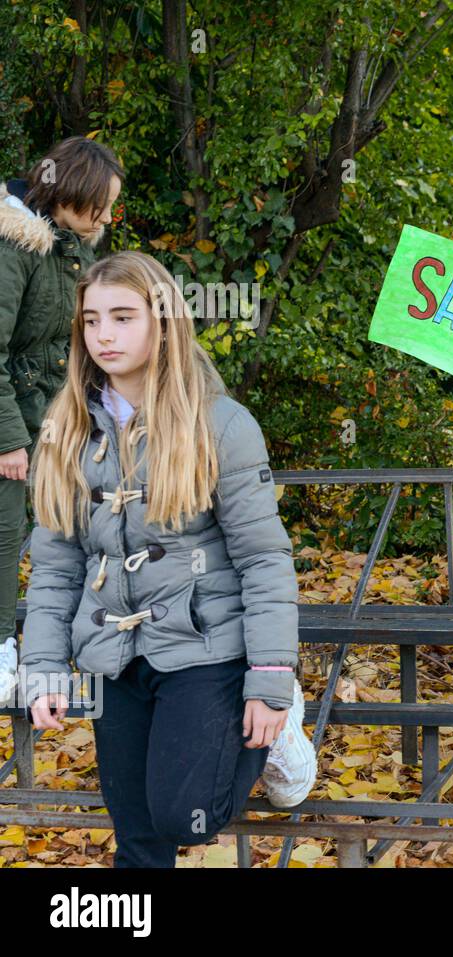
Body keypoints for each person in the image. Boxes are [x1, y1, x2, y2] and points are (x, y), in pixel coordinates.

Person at [20, 251, 316, 867]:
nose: (104, 334)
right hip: (110, 653)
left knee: (183, 815)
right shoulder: (67, 430)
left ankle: (278, 728)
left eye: (123, 317)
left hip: (208, 648)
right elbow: (54, 567)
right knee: (138, 834)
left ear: (163, 322)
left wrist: (269, 677)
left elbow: (264, 559)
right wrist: (44, 665)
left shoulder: (221, 425)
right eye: (92, 319)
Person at [0, 137, 123, 703]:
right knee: (5, 537)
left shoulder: (74, 248)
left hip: (52, 421)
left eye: (108, 208)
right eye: (95, 205)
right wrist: (8, 440)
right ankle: (2, 655)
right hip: (10, 426)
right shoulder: (13, 242)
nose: (102, 218)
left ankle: (79, 649)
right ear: (65, 189)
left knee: (69, 532)